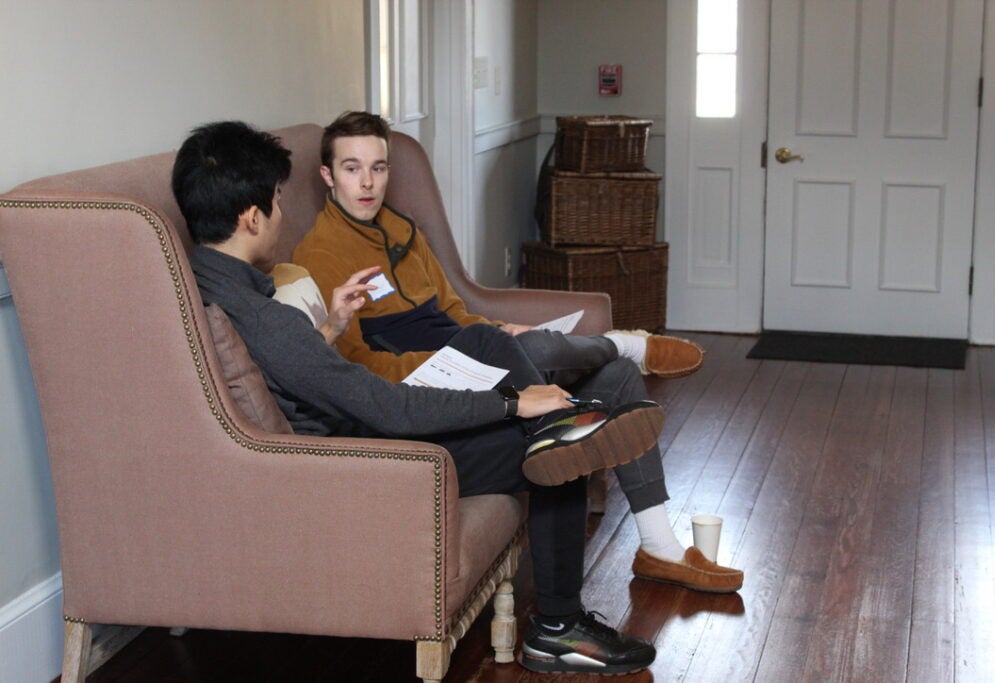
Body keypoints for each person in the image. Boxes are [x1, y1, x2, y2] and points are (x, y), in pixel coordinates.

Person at [174, 120, 669, 675]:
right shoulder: (268, 320)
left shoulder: (205, 284)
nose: (282, 216)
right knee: (557, 452)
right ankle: (557, 628)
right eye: (277, 203)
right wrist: (513, 402)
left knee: (534, 400)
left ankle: (574, 421)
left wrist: (331, 330)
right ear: (251, 216)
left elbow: (298, 373)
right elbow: (391, 408)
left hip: (354, 437)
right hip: (367, 461)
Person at [292, 111, 744, 594]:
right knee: (507, 345)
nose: (367, 182)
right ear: (327, 176)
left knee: (614, 377)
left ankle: (659, 547)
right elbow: (360, 364)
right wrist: (459, 360)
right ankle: (626, 347)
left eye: (378, 168)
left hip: (465, 354)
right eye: (352, 168)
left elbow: (453, 308)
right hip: (428, 387)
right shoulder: (318, 255)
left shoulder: (403, 230)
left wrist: (496, 333)